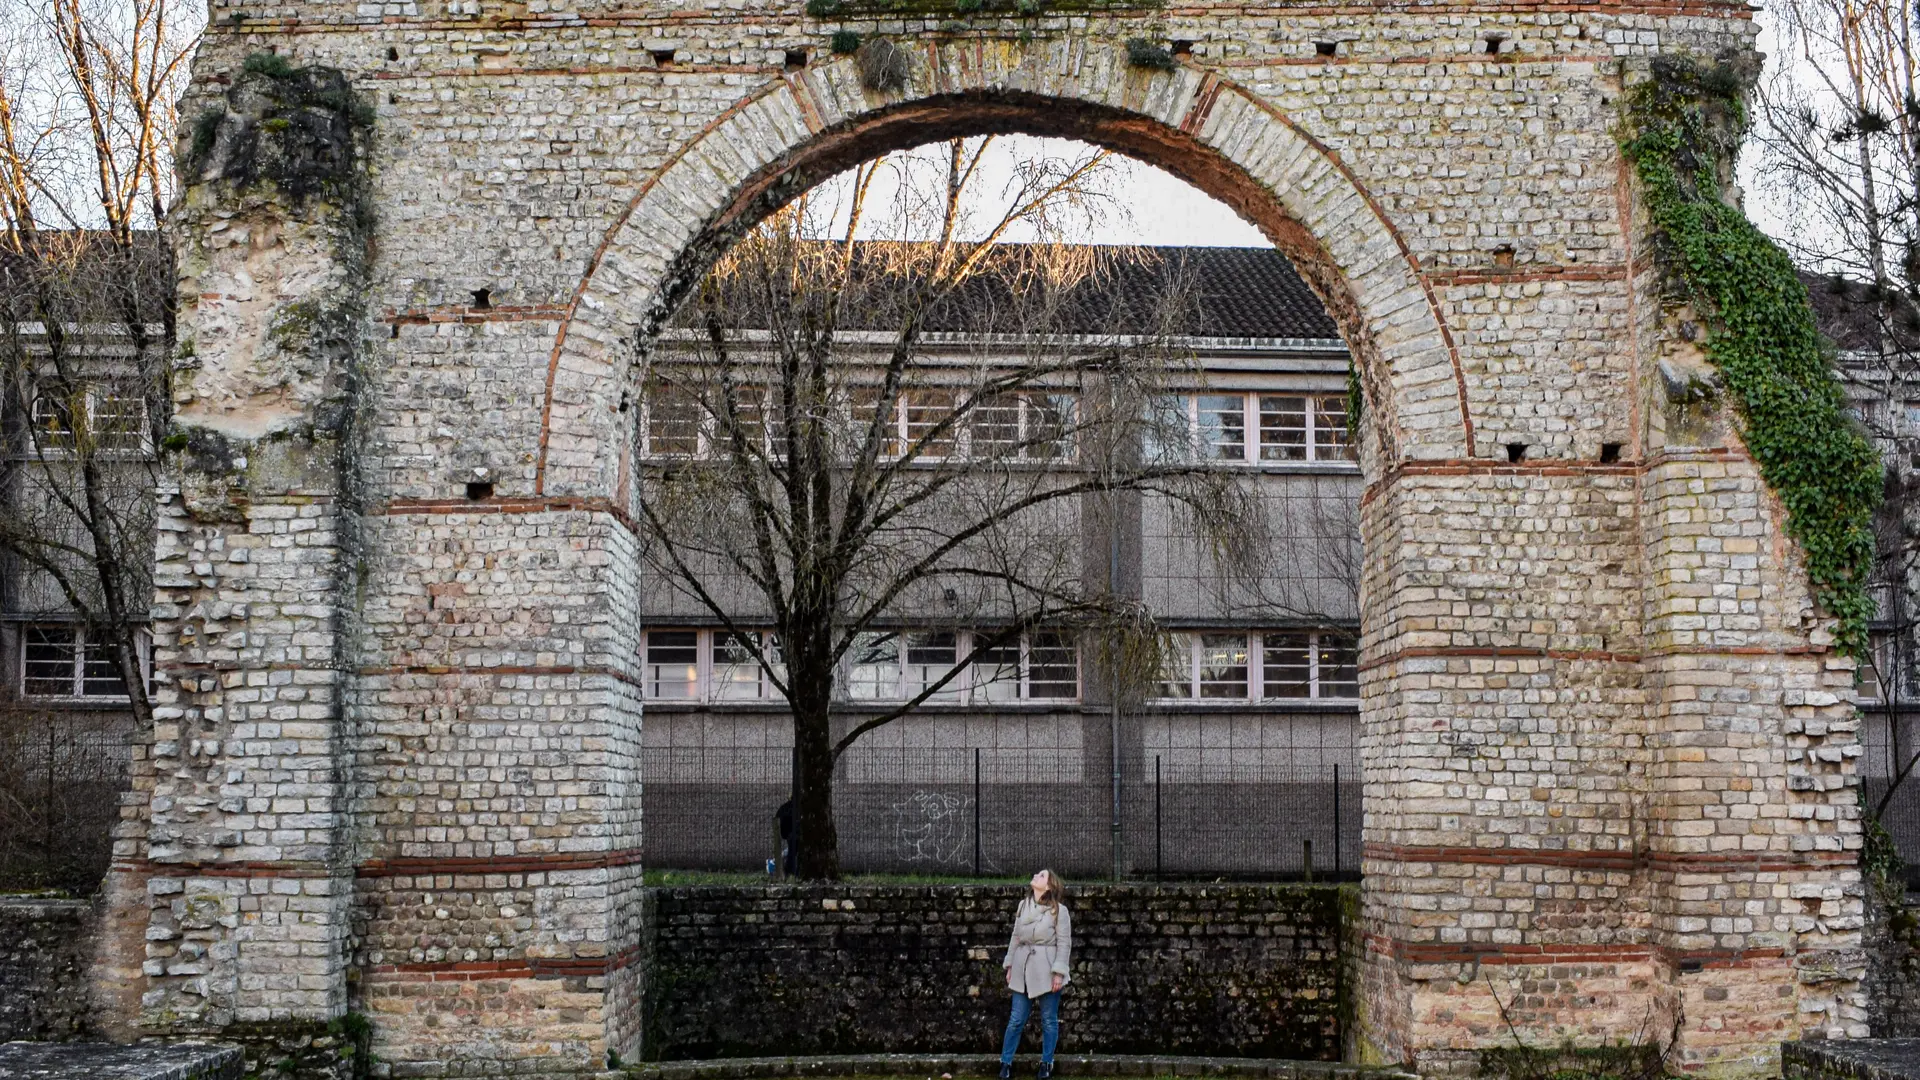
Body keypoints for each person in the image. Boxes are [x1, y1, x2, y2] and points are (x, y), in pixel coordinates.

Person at [999, 869, 1071, 1080]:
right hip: (1022, 967)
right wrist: (1010, 964)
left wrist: (1059, 972)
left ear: (1049, 886)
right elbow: (1015, 936)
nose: (1036, 876)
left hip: (1047, 970)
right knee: (1016, 1019)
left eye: (1041, 875)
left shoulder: (1059, 911)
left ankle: (1047, 1063)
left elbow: (1064, 943)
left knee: (1049, 1020)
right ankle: (1005, 1062)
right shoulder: (1024, 906)